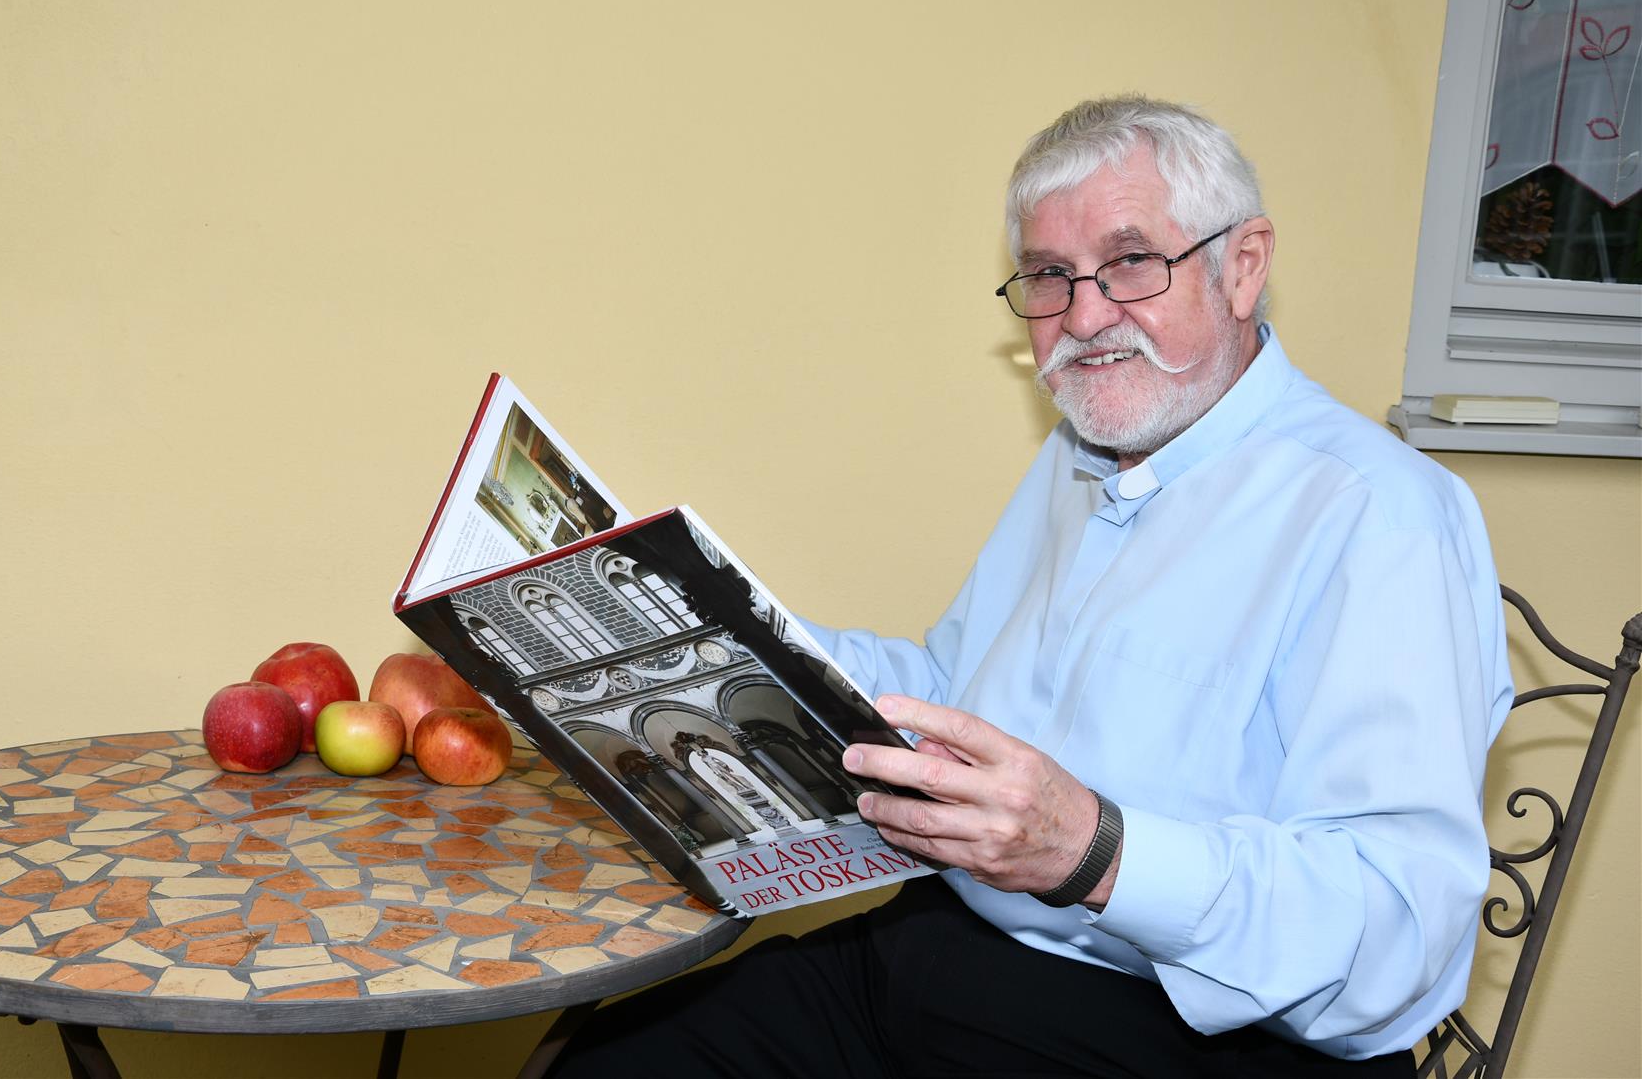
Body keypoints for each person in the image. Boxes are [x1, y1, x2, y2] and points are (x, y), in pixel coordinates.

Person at [548, 96, 1512, 1078]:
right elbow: (954, 683)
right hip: (935, 950)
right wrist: (715, 638)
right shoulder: (1085, 447)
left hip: (1179, 1029)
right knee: (598, 1058)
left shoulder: (1378, 516)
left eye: (1132, 261)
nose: (1085, 317)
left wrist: (1096, 854)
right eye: (1051, 277)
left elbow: (1394, 936)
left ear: (1244, 265)